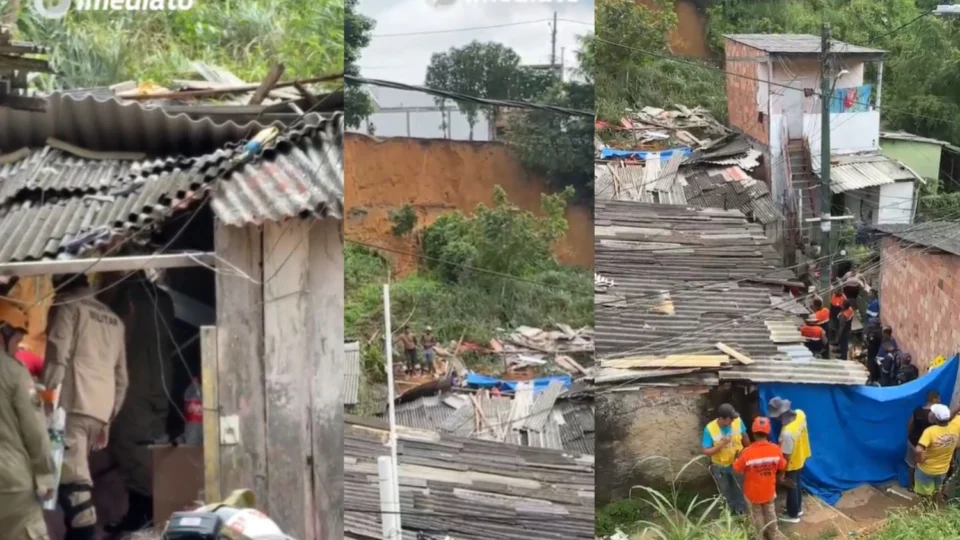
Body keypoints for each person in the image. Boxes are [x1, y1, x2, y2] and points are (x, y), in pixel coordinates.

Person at [43, 274, 128, 540]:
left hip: (72, 403)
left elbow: (57, 355)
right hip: (100, 409)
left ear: (61, 284)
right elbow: (122, 377)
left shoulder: (67, 306)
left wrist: (45, 401)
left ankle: (84, 531)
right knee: (75, 470)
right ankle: (77, 530)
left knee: (72, 477)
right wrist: (108, 419)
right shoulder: (114, 319)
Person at [104, 275, 176, 536]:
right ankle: (151, 509)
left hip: (137, 380)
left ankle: (143, 512)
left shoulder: (126, 297)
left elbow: (115, 336)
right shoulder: (164, 298)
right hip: (161, 378)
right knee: (153, 443)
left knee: (132, 446)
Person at [0, 305, 56, 540]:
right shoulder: (14, 372)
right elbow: (35, 431)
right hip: (10, 484)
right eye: (16, 342)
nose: (17, 349)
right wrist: (45, 476)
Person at [733, 417, 789, 540]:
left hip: (752, 492)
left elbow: (737, 469)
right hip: (769, 490)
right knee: (770, 511)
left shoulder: (747, 452)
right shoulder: (775, 449)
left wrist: (736, 458)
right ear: (768, 432)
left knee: (756, 513)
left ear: (753, 433)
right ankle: (773, 534)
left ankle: (760, 536)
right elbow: (782, 465)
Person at [768, 397, 810, 523]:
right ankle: (798, 508)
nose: (776, 419)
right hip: (802, 454)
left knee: (791, 486)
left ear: (781, 414)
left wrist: (781, 474)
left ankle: (793, 515)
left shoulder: (787, 433)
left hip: (792, 461)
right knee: (797, 482)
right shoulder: (800, 413)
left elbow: (786, 456)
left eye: (776, 416)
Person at [702, 403, 749, 515]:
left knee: (739, 488)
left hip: (738, 463)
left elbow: (745, 436)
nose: (733, 421)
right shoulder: (710, 429)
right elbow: (706, 451)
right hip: (720, 467)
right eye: (730, 419)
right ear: (722, 418)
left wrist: (747, 451)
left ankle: (740, 511)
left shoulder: (737, 421)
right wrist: (721, 444)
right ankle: (728, 512)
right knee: (725, 490)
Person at [915, 403, 960, 499]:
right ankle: (934, 504)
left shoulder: (930, 431)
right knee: (936, 490)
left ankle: (926, 507)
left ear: (935, 418)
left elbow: (919, 450)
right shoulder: (955, 427)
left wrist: (920, 460)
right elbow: (958, 445)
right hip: (943, 469)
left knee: (924, 494)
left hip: (926, 469)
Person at [907, 392, 940, 489]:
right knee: (924, 467)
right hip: (925, 446)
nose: (940, 401)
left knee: (912, 465)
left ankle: (910, 486)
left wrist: (910, 436)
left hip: (913, 442)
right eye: (939, 399)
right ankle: (922, 489)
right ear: (934, 399)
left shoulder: (917, 410)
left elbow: (909, 424)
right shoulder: (935, 415)